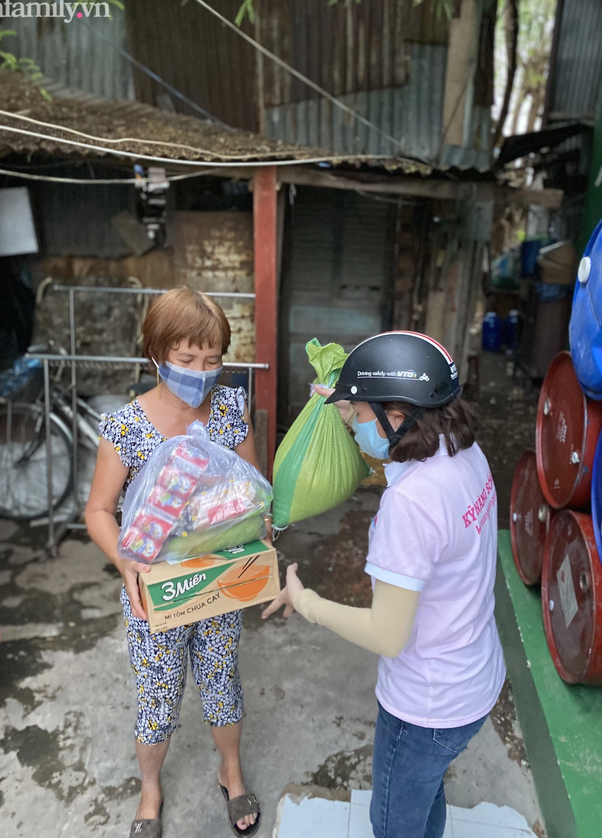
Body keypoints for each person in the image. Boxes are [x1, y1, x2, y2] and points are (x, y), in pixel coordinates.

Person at [263, 331, 506, 838]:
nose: (350, 423)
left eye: (358, 413)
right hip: (475, 676)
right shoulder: (463, 451)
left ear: (398, 415)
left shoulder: (411, 503)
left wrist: (306, 601)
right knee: (427, 792)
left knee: (394, 821)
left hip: (427, 703)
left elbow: (387, 635)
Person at [86, 288, 269, 838]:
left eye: (212, 361)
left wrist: (258, 532)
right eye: (187, 360)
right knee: (157, 696)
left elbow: (254, 491)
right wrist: (128, 565)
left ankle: (231, 771)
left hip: (217, 581)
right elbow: (97, 510)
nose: (201, 372)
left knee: (221, 683)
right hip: (154, 591)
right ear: (156, 354)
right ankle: (150, 788)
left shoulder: (231, 408)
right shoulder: (126, 427)